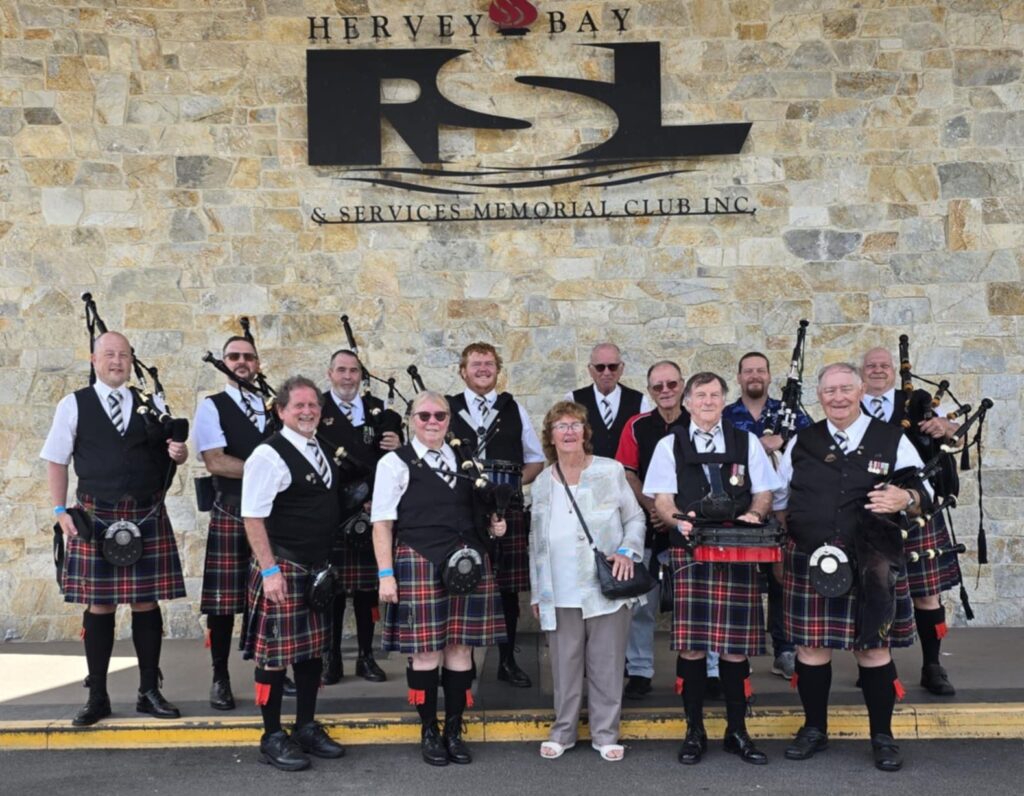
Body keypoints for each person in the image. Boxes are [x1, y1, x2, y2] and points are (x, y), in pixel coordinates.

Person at [774, 362, 931, 773]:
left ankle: (882, 736)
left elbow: (927, 490)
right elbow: (779, 499)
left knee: (873, 648)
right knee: (810, 647)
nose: (838, 397)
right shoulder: (803, 441)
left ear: (861, 390)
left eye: (846, 388)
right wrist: (787, 544)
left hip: (871, 561)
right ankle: (814, 729)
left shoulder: (890, 438)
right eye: (829, 391)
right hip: (811, 558)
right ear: (819, 396)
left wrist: (906, 498)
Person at [41, 331, 188, 726]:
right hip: (97, 514)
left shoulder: (150, 403)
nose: (117, 361)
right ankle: (98, 696)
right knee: (100, 604)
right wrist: (60, 510)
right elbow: (56, 459)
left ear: (130, 360)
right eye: (109, 354)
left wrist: (179, 452)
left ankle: (149, 691)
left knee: (146, 602)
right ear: (94, 360)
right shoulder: (74, 404)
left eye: (123, 355)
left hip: (145, 512)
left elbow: (173, 453)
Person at [646, 372, 781, 766]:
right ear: (687, 402)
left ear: (724, 400)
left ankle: (737, 732)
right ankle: (694, 731)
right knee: (691, 647)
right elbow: (663, 500)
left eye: (715, 394)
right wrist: (677, 521)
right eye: (701, 395)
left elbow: (764, 492)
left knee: (735, 649)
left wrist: (756, 515)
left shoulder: (746, 441)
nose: (708, 401)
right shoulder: (669, 444)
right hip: (692, 550)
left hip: (738, 549)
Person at [372, 391, 508, 766]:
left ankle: (454, 729)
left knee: (461, 648)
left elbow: (479, 510)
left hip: (468, 563)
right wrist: (386, 574)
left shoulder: (465, 459)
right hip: (419, 560)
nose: (432, 422)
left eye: (440, 416)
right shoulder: (394, 463)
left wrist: (493, 525)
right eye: (424, 416)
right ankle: (429, 730)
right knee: (426, 651)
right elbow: (381, 523)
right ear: (411, 419)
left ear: (449, 420)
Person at [530, 401, 645, 762]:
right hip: (558, 589)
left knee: (606, 664)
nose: (568, 432)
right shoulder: (541, 483)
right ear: (551, 437)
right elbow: (535, 543)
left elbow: (636, 518)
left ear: (585, 432)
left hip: (604, 587)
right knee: (564, 667)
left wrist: (627, 551)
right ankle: (563, 732)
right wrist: (536, 593)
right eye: (561, 426)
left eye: (575, 425)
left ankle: (605, 734)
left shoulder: (609, 470)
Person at [240, 376, 345, 771]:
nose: (307, 411)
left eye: (313, 405)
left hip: (315, 567)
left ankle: (305, 726)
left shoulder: (319, 447)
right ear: (281, 411)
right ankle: (271, 735)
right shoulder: (268, 455)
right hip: (283, 565)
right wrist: (270, 570)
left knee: (310, 653)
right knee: (274, 657)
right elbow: (252, 516)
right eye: (298, 405)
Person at [860, 347, 962, 696]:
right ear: (861, 373)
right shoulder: (850, 404)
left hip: (921, 508)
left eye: (883, 365)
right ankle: (875, 661)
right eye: (870, 366)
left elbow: (958, 435)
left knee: (927, 594)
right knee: (873, 587)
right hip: (872, 510)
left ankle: (933, 665)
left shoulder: (918, 401)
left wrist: (946, 426)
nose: (877, 370)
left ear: (894, 370)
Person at [447, 342, 544, 687]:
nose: (483, 369)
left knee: (506, 589)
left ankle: (506, 660)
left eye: (489, 363)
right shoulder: (447, 409)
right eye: (476, 364)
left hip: (507, 508)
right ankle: (464, 662)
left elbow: (535, 460)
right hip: (461, 509)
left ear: (498, 370)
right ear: (463, 371)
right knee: (462, 581)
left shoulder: (513, 408)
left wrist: (511, 488)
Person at [193, 335, 272, 710]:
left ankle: (272, 668)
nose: (242, 362)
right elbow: (216, 461)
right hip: (231, 510)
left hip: (272, 514)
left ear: (257, 363)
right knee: (223, 602)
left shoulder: (272, 404)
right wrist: (268, 472)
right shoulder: (213, 406)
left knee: (273, 595)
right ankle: (219, 677)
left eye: (248, 357)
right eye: (234, 356)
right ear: (224, 362)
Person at [723, 351, 813, 680]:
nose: (754, 376)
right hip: (740, 509)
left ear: (769, 375)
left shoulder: (790, 413)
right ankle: (739, 652)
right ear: (739, 377)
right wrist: (754, 446)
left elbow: (812, 446)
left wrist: (782, 439)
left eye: (760, 370)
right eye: (748, 371)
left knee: (781, 580)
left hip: (784, 508)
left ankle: (784, 650)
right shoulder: (726, 416)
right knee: (740, 582)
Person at [318, 349, 402, 684]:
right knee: (333, 591)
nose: (348, 376)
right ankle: (331, 657)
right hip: (331, 513)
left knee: (368, 591)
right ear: (330, 373)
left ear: (361, 375)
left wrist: (398, 444)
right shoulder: (317, 408)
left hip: (370, 510)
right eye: (341, 370)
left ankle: (366, 656)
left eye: (354, 370)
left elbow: (392, 462)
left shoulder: (377, 410)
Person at [614, 360, 689, 699]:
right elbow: (627, 472)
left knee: (693, 604)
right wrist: (653, 508)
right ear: (649, 391)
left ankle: (707, 672)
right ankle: (640, 671)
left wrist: (674, 514)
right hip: (646, 526)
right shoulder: (637, 425)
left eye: (671, 384)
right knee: (640, 606)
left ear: (682, 385)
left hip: (688, 529)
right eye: (658, 386)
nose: (665, 391)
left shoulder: (697, 422)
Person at [564, 342, 652, 458]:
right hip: (586, 469)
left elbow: (646, 442)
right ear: (590, 370)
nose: (606, 373)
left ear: (621, 368)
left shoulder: (639, 401)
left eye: (612, 367)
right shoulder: (573, 400)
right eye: (600, 367)